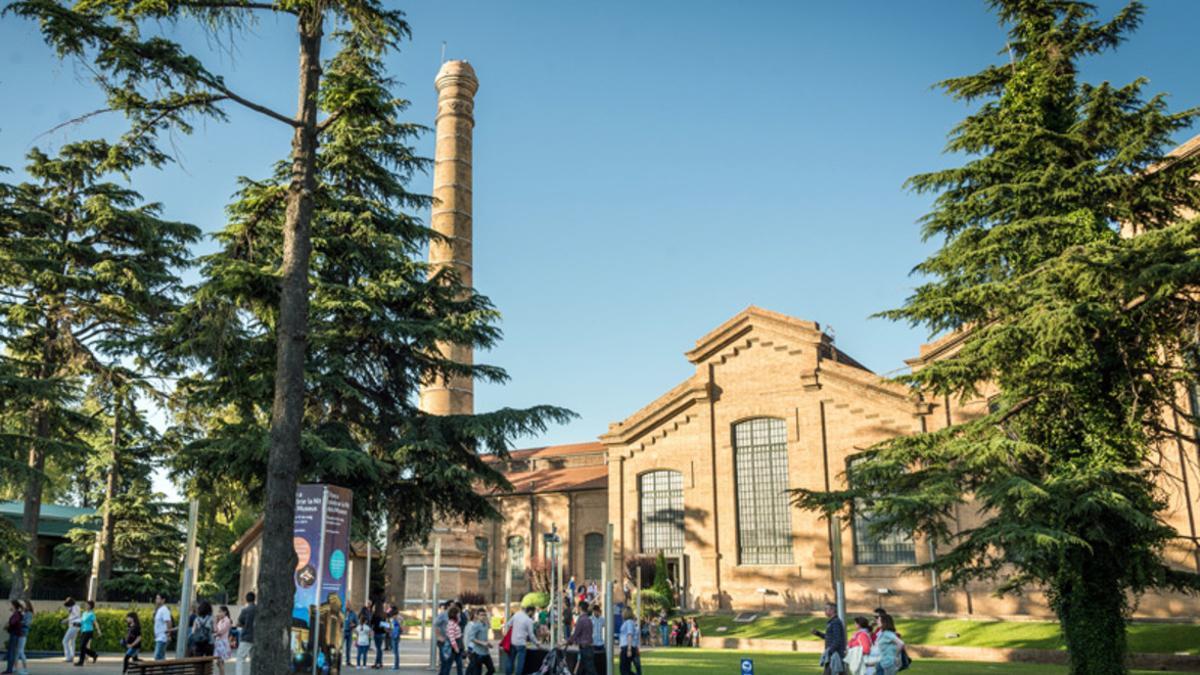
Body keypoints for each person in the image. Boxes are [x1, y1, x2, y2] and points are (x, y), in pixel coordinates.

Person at [812, 603, 846, 675]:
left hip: (835, 655)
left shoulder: (835, 622)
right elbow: (829, 637)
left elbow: (837, 639)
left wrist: (830, 651)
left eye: (826, 609)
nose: (824, 611)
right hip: (832, 654)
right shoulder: (832, 622)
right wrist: (818, 633)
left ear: (832, 610)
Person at [502, 605, 537, 675]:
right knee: (520, 663)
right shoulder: (529, 620)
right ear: (531, 612)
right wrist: (537, 643)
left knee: (510, 660)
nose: (533, 615)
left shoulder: (517, 614)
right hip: (521, 643)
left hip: (512, 642)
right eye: (533, 613)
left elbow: (508, 624)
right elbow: (531, 635)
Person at [565, 601, 596, 675]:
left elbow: (576, 634)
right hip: (589, 648)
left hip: (585, 648)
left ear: (580, 608)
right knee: (582, 670)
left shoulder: (581, 620)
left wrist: (566, 642)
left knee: (590, 671)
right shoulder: (589, 620)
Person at [464, 608, 493, 675]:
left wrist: (488, 644)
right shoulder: (475, 625)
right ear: (477, 616)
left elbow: (484, 637)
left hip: (486, 652)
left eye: (484, 615)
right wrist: (482, 643)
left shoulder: (486, 625)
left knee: (491, 669)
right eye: (481, 615)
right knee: (477, 672)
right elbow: (471, 638)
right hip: (477, 653)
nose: (483, 616)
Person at [439, 606, 463, 675]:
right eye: (458, 614)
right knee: (448, 666)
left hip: (457, 647)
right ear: (454, 614)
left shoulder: (455, 623)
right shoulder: (451, 624)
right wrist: (456, 648)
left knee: (459, 666)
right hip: (452, 649)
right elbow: (451, 638)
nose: (459, 615)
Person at [236, 592, 256, 675]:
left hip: (246, 636)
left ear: (246, 599)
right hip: (256, 637)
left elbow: (239, 623)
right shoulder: (259, 609)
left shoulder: (245, 610)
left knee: (240, 658)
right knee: (253, 659)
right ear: (254, 599)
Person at [75, 600, 100, 666]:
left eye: (87, 605)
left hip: (89, 631)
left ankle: (81, 662)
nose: (86, 606)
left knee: (82, 646)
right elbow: (82, 623)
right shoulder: (84, 613)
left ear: (91, 606)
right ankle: (94, 654)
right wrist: (78, 630)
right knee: (82, 647)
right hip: (83, 631)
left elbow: (95, 622)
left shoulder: (92, 614)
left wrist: (98, 630)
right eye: (86, 604)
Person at [617, 607, 640, 675]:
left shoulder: (629, 622)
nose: (621, 613)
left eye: (623, 612)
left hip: (627, 647)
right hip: (625, 647)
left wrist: (629, 649)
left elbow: (629, 635)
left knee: (624, 670)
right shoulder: (627, 622)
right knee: (625, 669)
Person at [153, 593, 174, 660]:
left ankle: (168, 670)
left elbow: (168, 622)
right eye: (156, 598)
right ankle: (167, 670)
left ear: (163, 600)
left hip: (162, 637)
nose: (156, 600)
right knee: (161, 657)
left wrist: (168, 635)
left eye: (158, 598)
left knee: (158, 656)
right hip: (159, 637)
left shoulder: (164, 610)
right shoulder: (159, 610)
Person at [4, 601, 22, 675]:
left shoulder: (17, 614)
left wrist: (8, 625)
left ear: (14, 606)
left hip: (14, 635)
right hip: (13, 634)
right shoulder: (16, 614)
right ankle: (9, 669)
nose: (10, 606)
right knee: (10, 652)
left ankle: (9, 670)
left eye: (11, 605)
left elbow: (13, 623)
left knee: (11, 652)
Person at [214, 606, 233, 675]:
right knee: (219, 662)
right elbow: (216, 631)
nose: (218, 613)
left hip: (222, 643)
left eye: (220, 611)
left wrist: (215, 623)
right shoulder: (220, 621)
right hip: (218, 642)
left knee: (220, 662)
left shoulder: (227, 621)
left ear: (225, 612)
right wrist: (216, 622)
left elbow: (220, 632)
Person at [62, 597, 81, 663]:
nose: (67, 608)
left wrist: (67, 620)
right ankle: (72, 656)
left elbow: (76, 615)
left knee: (65, 641)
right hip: (77, 626)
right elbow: (75, 615)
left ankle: (68, 657)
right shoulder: (77, 607)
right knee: (72, 641)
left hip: (74, 625)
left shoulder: (74, 607)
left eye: (67, 606)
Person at [371, 604, 388, 670]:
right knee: (379, 648)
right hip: (381, 633)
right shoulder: (383, 614)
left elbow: (371, 623)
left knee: (378, 649)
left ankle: (377, 663)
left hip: (378, 633)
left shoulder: (375, 615)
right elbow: (386, 623)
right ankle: (380, 663)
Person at [388, 606, 403, 670]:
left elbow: (396, 628)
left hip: (395, 636)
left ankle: (396, 666)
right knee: (395, 651)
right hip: (394, 635)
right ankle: (396, 665)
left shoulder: (397, 619)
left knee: (395, 651)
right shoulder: (397, 618)